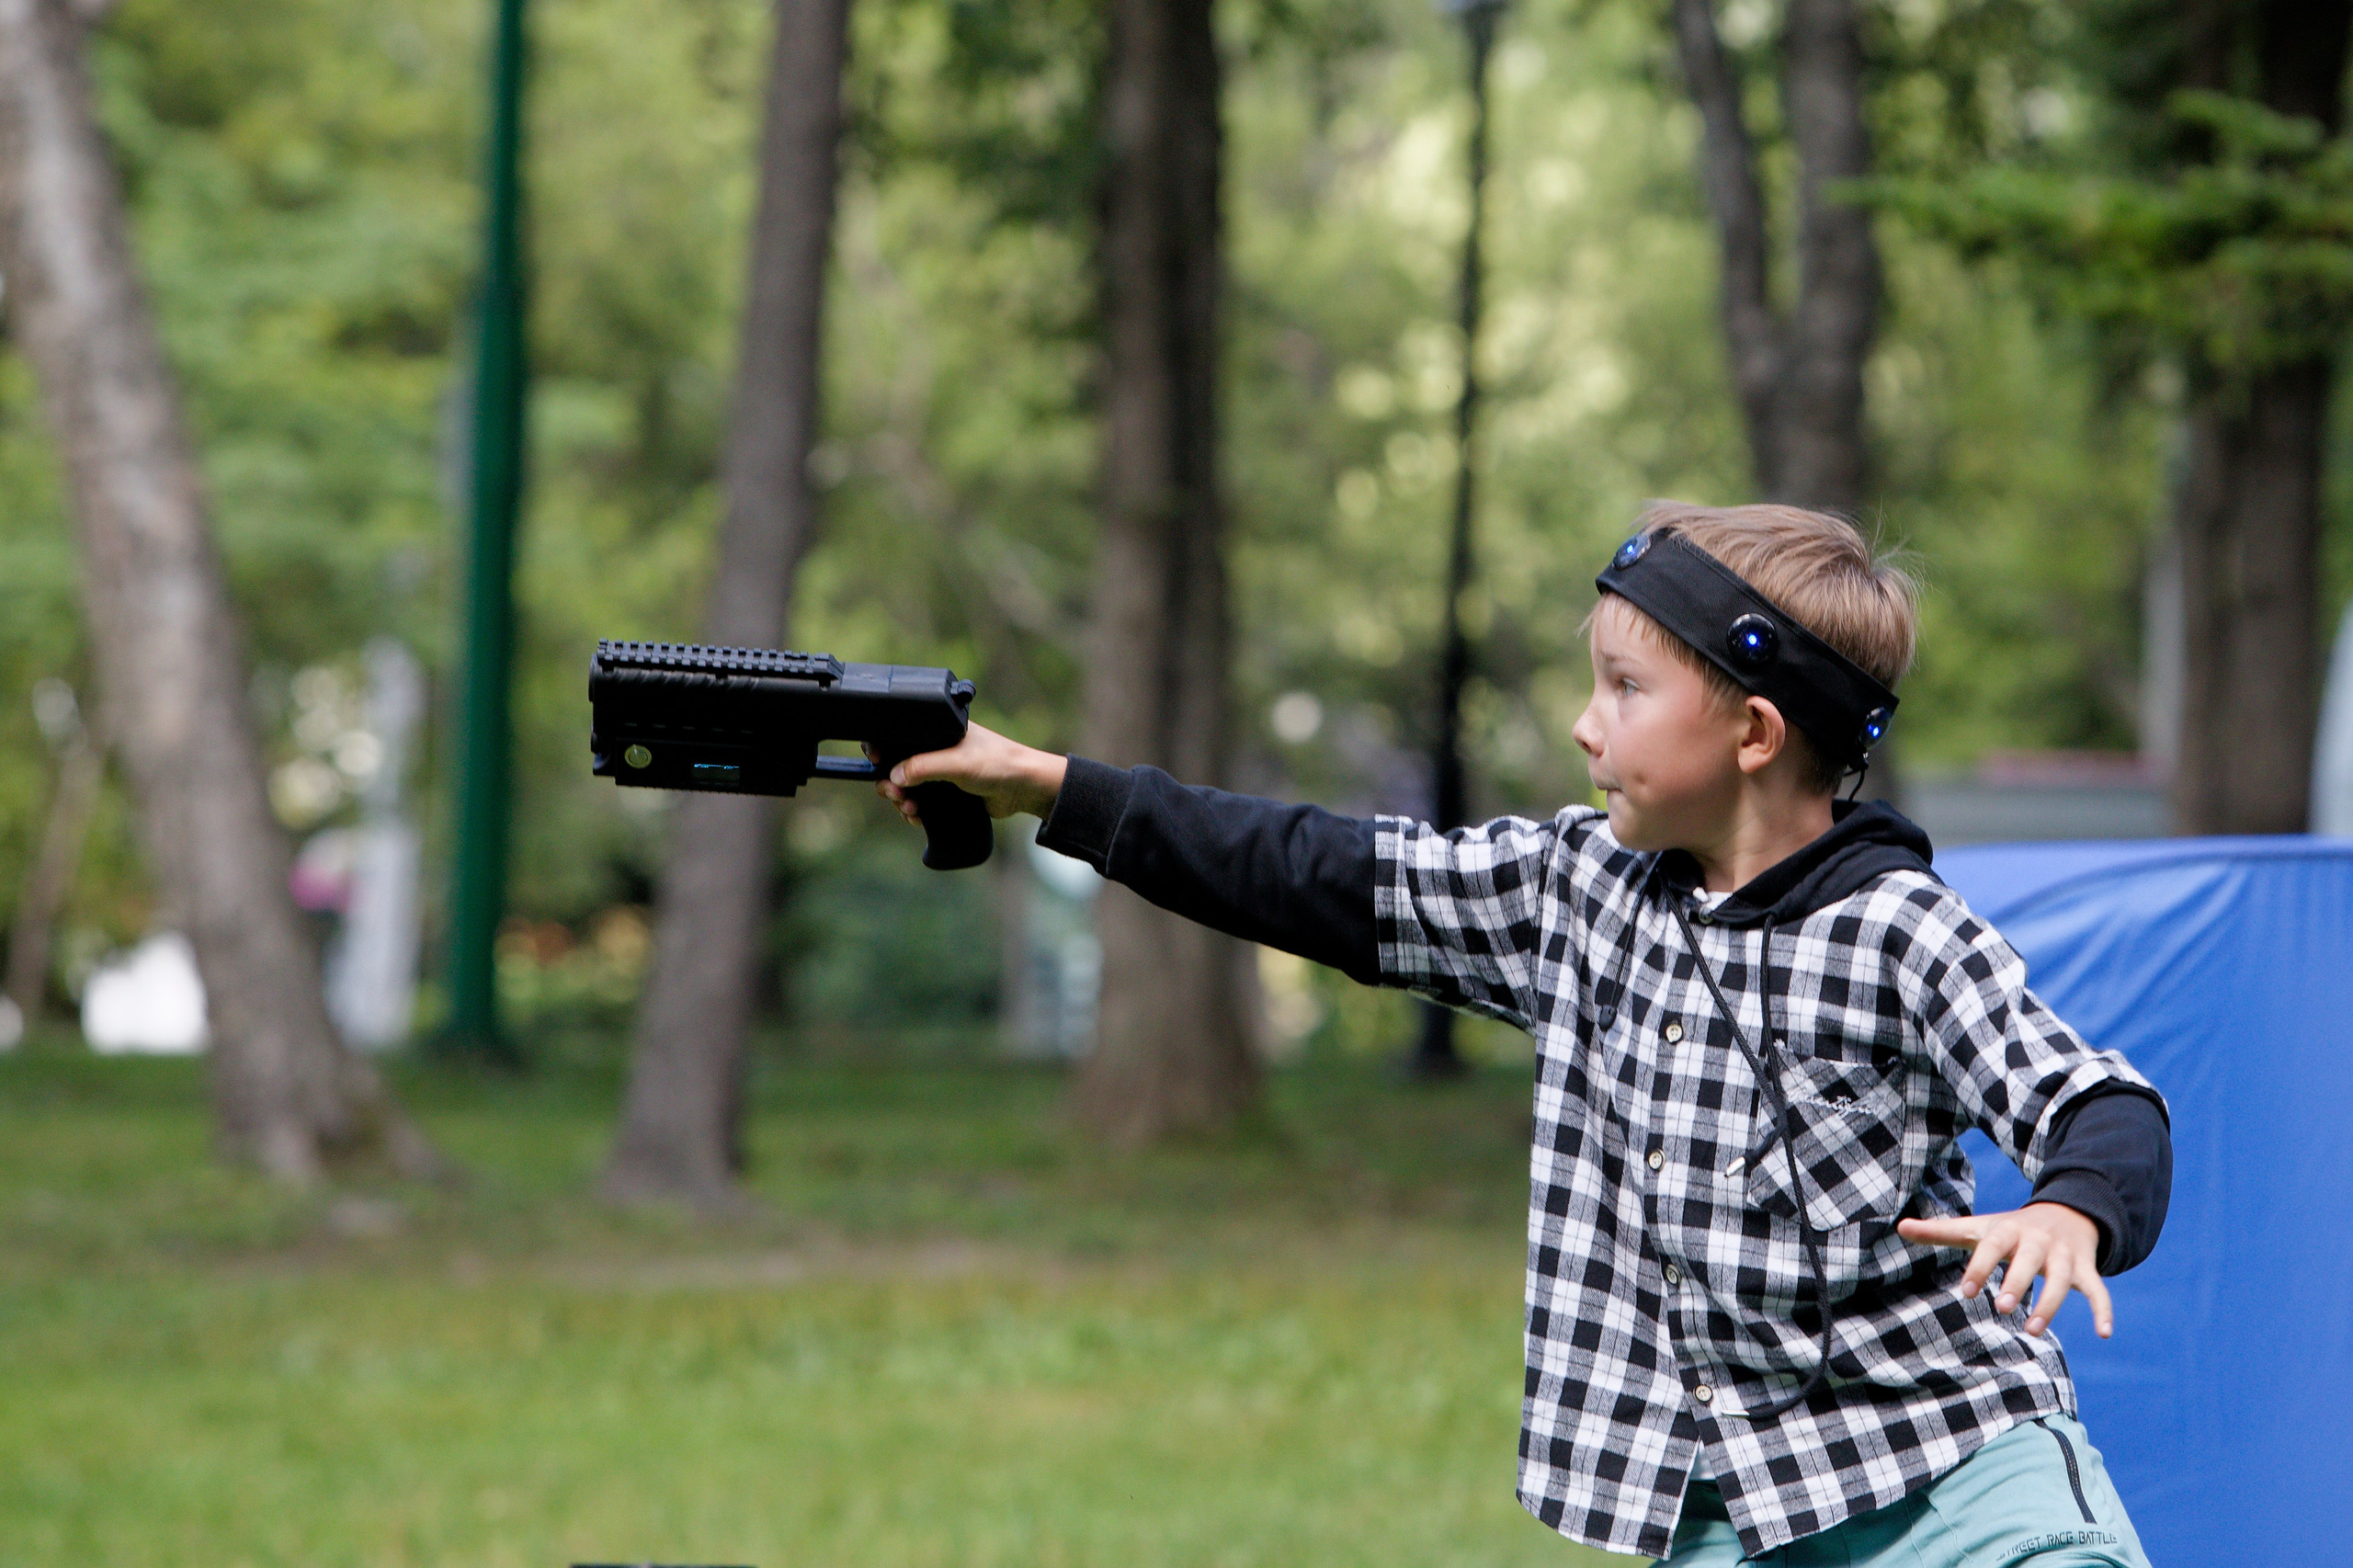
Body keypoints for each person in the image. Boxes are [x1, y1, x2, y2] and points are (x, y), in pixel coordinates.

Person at [876, 501, 2171, 1565]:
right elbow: (1309, 870)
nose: (1582, 722)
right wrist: (1048, 784)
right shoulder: (1571, 895)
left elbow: (2097, 1102)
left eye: (1622, 687)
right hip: (1731, 1514)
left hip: (1959, 1490)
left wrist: (2073, 1209)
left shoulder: (1904, 931)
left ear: (1753, 733)